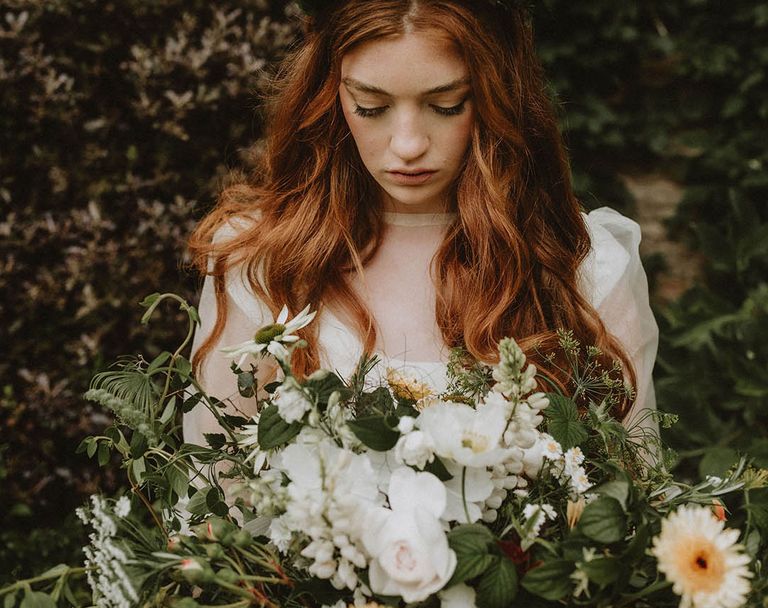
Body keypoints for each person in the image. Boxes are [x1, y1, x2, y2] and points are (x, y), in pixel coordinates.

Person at [183, 0, 658, 451]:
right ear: (329, 96)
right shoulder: (259, 261)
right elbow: (215, 502)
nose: (408, 144)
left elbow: (630, 500)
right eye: (370, 106)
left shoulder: (583, 262)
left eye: (447, 104)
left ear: (497, 96)